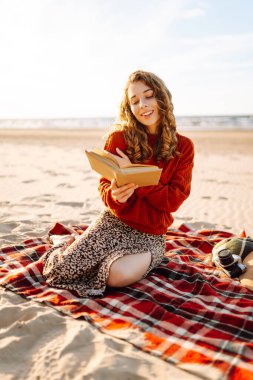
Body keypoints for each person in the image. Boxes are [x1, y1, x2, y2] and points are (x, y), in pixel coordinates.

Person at [42, 70, 194, 297]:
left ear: (162, 97)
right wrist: (114, 196)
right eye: (135, 101)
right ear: (129, 108)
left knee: (117, 276)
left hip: (150, 235)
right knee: (58, 272)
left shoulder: (184, 147)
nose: (142, 105)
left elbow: (174, 199)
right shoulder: (118, 138)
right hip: (113, 222)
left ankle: (150, 257)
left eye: (148, 95)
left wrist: (136, 180)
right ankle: (62, 243)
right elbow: (104, 185)